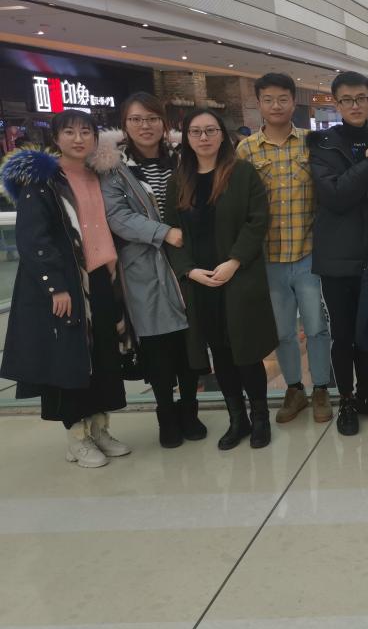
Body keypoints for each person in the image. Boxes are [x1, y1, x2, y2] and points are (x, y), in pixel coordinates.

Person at [0, 110, 131, 468]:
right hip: (68, 284)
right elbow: (33, 239)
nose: (78, 138)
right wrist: (56, 287)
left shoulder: (99, 175)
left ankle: (100, 428)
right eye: (69, 132)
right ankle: (77, 437)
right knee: (71, 362)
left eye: (86, 132)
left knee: (103, 358)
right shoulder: (43, 181)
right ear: (55, 138)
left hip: (101, 279)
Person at [93, 93, 205, 447]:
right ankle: (166, 413)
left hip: (187, 262)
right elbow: (117, 216)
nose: (145, 126)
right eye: (137, 119)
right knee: (157, 345)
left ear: (164, 123)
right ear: (125, 124)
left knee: (190, 341)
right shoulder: (114, 167)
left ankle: (190, 409)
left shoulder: (183, 158)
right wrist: (164, 233)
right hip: (143, 267)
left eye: (152, 118)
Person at [165, 109, 279, 450]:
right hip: (201, 283)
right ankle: (237, 419)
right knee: (220, 354)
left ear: (222, 135)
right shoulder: (179, 180)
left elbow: (257, 220)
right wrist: (188, 270)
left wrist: (235, 261)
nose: (204, 138)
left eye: (210, 130)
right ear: (186, 138)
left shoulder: (242, 173)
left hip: (238, 277)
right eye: (196, 131)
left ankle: (260, 418)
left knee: (246, 352)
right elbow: (172, 231)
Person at [237, 74, 332, 424]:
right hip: (268, 258)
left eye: (282, 99)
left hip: (309, 253)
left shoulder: (313, 143)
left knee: (317, 327)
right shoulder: (246, 150)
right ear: (259, 104)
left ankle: (320, 388)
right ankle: (295, 389)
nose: (275, 106)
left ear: (294, 102)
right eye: (268, 99)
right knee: (282, 332)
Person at [308, 71, 368, 436]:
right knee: (343, 334)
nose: (355, 105)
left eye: (361, 98)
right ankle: (345, 398)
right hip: (338, 255)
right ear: (337, 103)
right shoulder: (324, 145)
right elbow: (335, 196)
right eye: (347, 100)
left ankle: (365, 392)